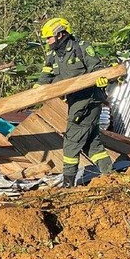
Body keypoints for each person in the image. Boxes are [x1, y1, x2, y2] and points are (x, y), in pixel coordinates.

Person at [37, 17, 113, 187]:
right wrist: (32, 95)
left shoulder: (82, 48)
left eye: (49, 38)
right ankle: (110, 175)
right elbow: (44, 78)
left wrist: (102, 78)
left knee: (71, 141)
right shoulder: (52, 56)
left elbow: (97, 69)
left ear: (60, 34)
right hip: (73, 101)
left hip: (89, 99)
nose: (47, 42)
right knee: (91, 144)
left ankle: (68, 184)